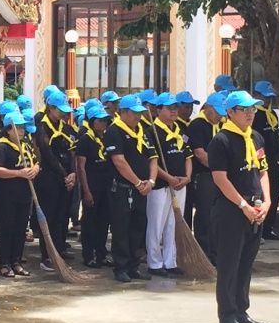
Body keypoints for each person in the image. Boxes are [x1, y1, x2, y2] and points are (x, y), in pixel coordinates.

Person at [207, 90, 269, 323]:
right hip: (231, 209)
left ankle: (242, 309)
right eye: (244, 110)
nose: (250, 114)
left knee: (246, 263)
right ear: (231, 112)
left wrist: (266, 202)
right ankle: (227, 313)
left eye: (252, 109)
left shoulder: (256, 138)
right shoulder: (221, 140)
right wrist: (243, 205)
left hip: (255, 207)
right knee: (229, 263)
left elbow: (262, 172)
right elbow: (220, 179)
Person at [103, 95, 157, 283]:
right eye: (134, 113)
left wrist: (151, 181)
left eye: (140, 113)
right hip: (122, 188)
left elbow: (153, 158)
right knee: (121, 228)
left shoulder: (143, 131)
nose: (138, 117)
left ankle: (134, 265)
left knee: (138, 227)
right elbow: (119, 161)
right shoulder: (114, 131)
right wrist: (138, 182)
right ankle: (121, 267)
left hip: (142, 188)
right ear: (123, 112)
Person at [146, 93, 192, 277]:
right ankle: (154, 262)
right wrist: (168, 178)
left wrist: (187, 177)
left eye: (175, 108)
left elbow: (188, 156)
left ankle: (170, 261)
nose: (174, 111)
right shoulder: (151, 132)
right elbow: (152, 161)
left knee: (173, 223)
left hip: (180, 184)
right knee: (157, 224)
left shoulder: (179, 129)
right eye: (169, 108)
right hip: (160, 186)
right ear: (158, 110)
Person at [0, 111, 38, 278]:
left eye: (22, 127)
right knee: (6, 228)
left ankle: (16, 261)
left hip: (25, 194)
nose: (21, 131)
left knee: (20, 229)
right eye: (17, 127)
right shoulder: (2, 147)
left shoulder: (26, 145)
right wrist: (18, 173)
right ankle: (4, 263)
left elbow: (36, 162)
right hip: (7, 195)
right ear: (9, 130)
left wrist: (34, 169)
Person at [34, 89, 76, 271]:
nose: (63, 114)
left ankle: (59, 251)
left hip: (65, 177)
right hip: (49, 177)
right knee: (49, 217)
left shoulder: (65, 127)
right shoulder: (42, 127)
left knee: (61, 216)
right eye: (59, 110)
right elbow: (47, 154)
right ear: (50, 108)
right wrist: (64, 173)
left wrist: (72, 173)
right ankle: (47, 255)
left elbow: (72, 152)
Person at [186, 92, 225, 259]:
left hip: (219, 175)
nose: (219, 116)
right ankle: (204, 251)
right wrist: (220, 167)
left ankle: (216, 250)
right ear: (207, 108)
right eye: (216, 112)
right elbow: (200, 154)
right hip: (204, 175)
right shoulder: (197, 125)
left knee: (218, 214)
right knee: (205, 213)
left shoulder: (222, 125)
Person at [76, 103, 113, 268]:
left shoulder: (106, 137)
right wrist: (86, 191)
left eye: (106, 120)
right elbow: (81, 167)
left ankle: (101, 253)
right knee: (90, 222)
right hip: (92, 186)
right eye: (100, 120)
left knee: (104, 221)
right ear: (92, 122)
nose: (104, 123)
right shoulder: (85, 140)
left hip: (106, 186)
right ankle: (88, 255)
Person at [252, 81, 279, 240]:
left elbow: (277, 140)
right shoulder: (253, 115)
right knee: (259, 196)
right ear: (256, 95)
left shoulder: (272, 114)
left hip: (272, 160)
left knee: (273, 195)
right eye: (265, 97)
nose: (267, 100)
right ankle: (258, 230)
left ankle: (268, 228)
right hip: (258, 161)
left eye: (270, 98)